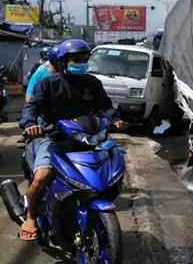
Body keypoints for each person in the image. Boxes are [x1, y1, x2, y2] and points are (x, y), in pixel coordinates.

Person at [18, 39, 124, 241]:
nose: (81, 63)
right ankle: (31, 217)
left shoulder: (92, 83)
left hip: (85, 139)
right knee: (42, 176)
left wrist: (115, 118)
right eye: (76, 59)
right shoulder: (48, 84)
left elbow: (105, 106)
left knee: (109, 171)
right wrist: (30, 122)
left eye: (84, 59)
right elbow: (32, 107)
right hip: (53, 138)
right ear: (63, 62)